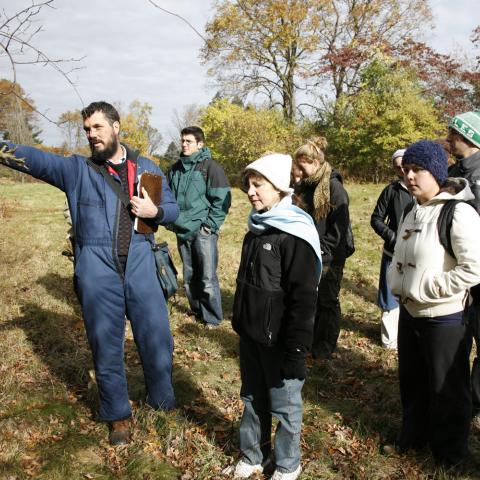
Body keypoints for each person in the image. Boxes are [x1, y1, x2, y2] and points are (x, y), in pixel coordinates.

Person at [0, 101, 179, 445]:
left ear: (116, 127)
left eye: (97, 127)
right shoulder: (76, 170)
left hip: (142, 261)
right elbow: (33, 159)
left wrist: (155, 210)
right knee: (106, 344)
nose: (92, 135)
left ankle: (163, 401)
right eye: (87, 130)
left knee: (158, 337)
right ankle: (117, 416)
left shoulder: (147, 167)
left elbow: (173, 209)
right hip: (97, 267)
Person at [387, 140, 480, 467]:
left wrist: (428, 287)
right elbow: (399, 256)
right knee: (412, 382)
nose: (410, 175)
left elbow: (474, 268)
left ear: (437, 172)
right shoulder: (413, 210)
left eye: (418, 169)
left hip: (444, 318)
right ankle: (414, 437)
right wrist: (395, 281)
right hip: (410, 314)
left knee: (448, 389)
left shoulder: (459, 212)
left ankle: (452, 454)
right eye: (407, 169)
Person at [228, 153, 321, 480]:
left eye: (259, 185)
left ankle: (286, 465)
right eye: (248, 186)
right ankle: (253, 455)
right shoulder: (256, 229)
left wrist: (297, 348)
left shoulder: (295, 234)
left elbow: (304, 299)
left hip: (281, 342)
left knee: (285, 408)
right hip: (252, 336)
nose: (251, 192)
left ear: (280, 187)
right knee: (252, 399)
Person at [293, 136, 352, 359]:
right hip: (306, 254)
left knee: (327, 301)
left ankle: (325, 346)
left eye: (303, 165)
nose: (299, 170)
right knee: (310, 300)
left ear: (316, 163)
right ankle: (309, 340)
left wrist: (321, 251)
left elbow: (338, 230)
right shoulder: (303, 188)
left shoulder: (334, 189)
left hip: (330, 257)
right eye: (297, 165)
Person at [167, 126, 231, 328]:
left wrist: (209, 226)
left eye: (189, 141)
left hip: (203, 231)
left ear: (200, 144)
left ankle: (212, 318)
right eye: (183, 141)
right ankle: (196, 310)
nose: (184, 144)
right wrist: (171, 222)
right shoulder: (175, 169)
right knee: (188, 276)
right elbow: (167, 196)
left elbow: (222, 200)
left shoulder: (211, 167)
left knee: (206, 277)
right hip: (182, 230)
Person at [447, 111, 480, 426]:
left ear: (466, 138)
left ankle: (475, 399)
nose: (448, 139)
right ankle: (459, 398)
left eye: (452, 134)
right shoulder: (454, 171)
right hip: (454, 270)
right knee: (458, 336)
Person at [370, 149, 412, 349]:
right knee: (389, 296)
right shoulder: (391, 191)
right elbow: (376, 219)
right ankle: (389, 341)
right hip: (392, 253)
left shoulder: (427, 188)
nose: (402, 170)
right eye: (397, 167)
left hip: (416, 254)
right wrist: (392, 237)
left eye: (405, 164)